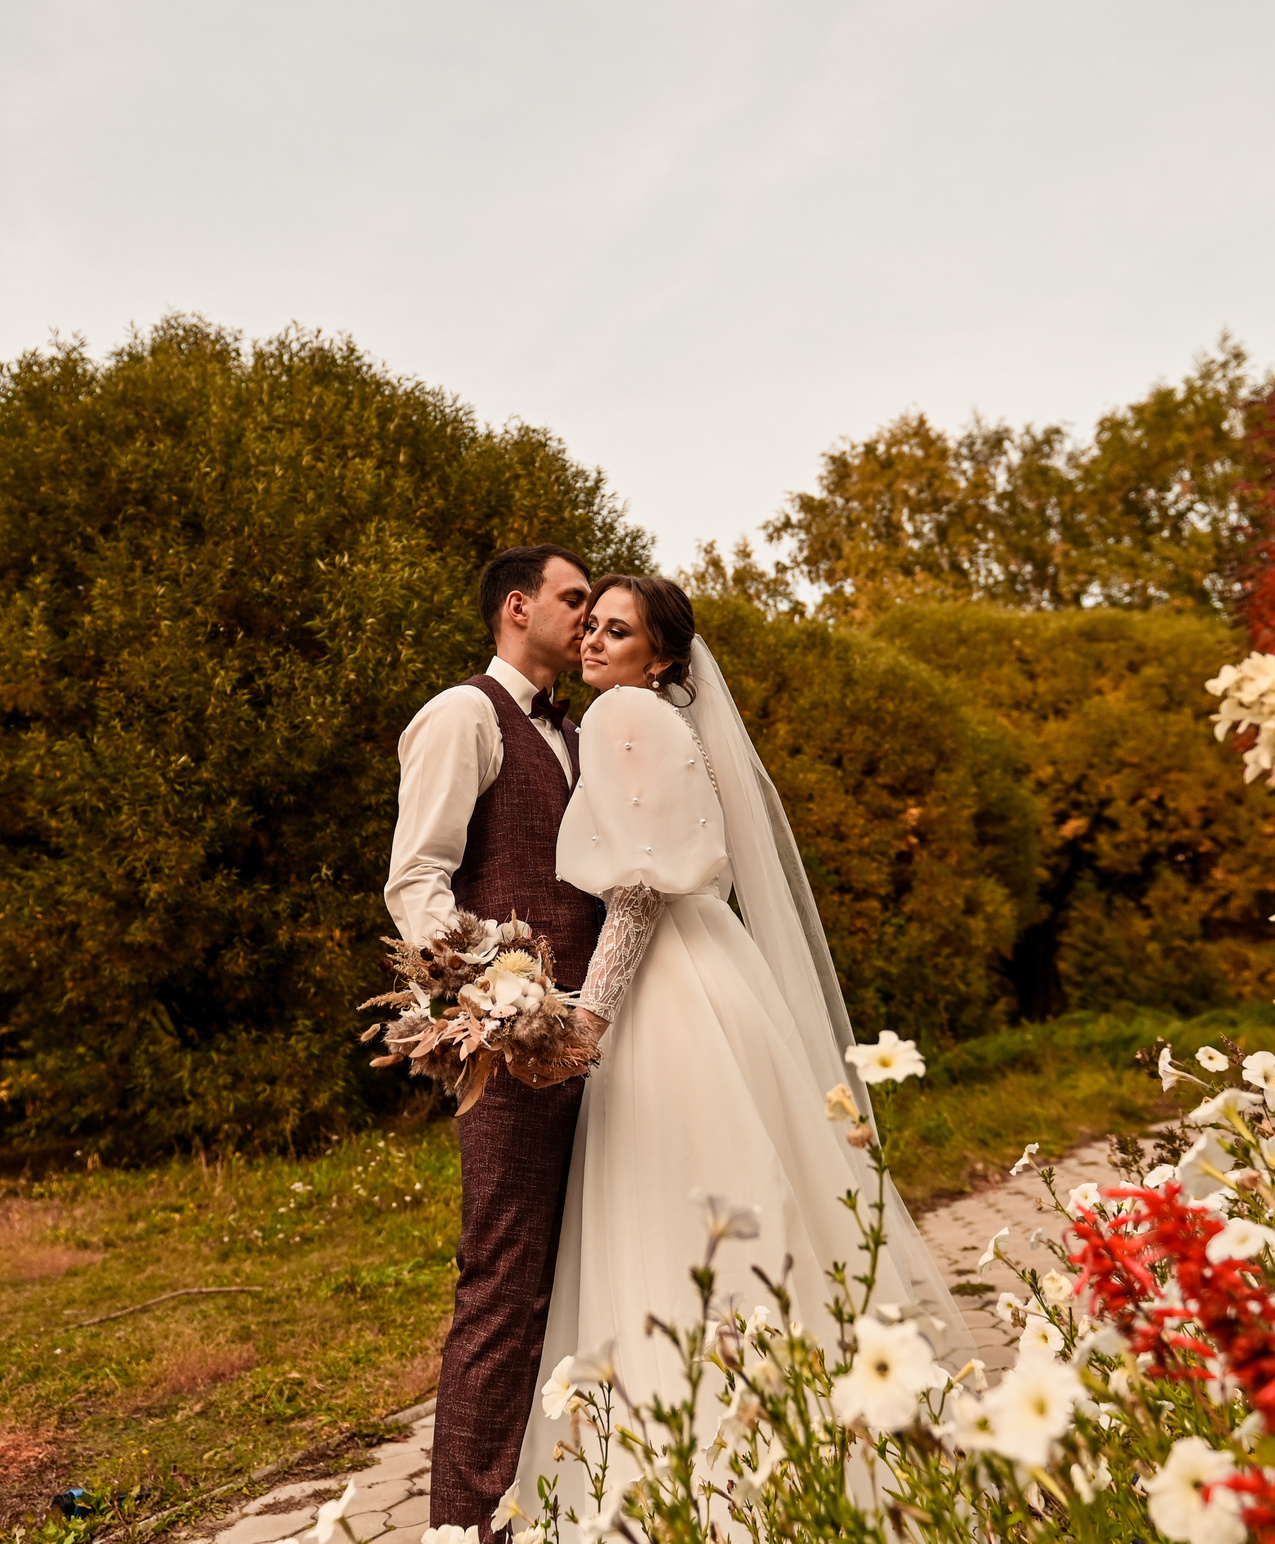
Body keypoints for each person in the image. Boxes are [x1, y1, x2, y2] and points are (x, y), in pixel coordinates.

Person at [514, 574, 969, 1512]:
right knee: (750, 1190)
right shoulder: (673, 725)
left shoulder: (616, 720)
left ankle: (694, 1475)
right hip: (720, 970)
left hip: (663, 987)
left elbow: (638, 888)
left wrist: (588, 1016)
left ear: (665, 657)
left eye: (618, 632)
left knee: (669, 1201)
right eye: (590, 626)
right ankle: (812, 1444)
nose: (594, 644)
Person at [384, 543, 601, 1538]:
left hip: (584, 1047)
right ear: (517, 608)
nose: (589, 614)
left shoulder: (575, 732)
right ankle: (463, 1526)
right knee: (502, 1285)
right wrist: (497, 988)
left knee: (571, 1277)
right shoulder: (463, 714)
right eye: (573, 599)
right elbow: (417, 881)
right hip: (509, 1048)